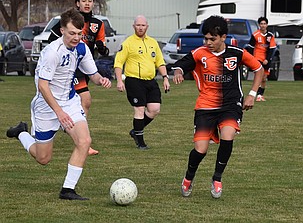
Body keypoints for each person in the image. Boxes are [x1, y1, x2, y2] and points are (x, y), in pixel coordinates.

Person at [6, 8, 111, 200]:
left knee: (84, 141)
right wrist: (59, 112)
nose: (76, 37)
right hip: (46, 106)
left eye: (80, 33)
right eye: (72, 33)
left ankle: (67, 190)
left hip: (70, 101)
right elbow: (43, 86)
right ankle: (21, 132)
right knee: (43, 158)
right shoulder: (52, 52)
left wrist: (101, 79)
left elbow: (92, 74)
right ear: (62, 30)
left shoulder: (82, 48)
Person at [172, 15, 263, 198]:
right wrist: (179, 72)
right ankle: (189, 177)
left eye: (212, 39)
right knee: (201, 149)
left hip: (231, 104)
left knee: (228, 136)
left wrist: (252, 94)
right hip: (206, 105)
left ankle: (217, 178)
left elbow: (258, 69)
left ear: (223, 37)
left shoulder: (237, 53)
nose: (208, 42)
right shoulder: (200, 53)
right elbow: (182, 65)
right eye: (205, 38)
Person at [49, 0, 109, 155]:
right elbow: (52, 39)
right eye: (83, 1)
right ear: (77, 3)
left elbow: (103, 47)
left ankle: (74, 129)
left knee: (82, 102)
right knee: (85, 98)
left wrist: (102, 48)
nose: (87, 4)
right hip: (69, 67)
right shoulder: (70, 21)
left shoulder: (98, 24)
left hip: (85, 67)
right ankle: (82, 141)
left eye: (90, 1)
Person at [114, 15, 170, 150]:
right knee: (139, 110)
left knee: (154, 109)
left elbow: (160, 62)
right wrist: (119, 81)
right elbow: (118, 62)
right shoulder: (128, 43)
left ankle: (135, 131)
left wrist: (166, 77)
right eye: (138, 25)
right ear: (134, 26)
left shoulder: (153, 43)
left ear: (147, 27)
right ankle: (140, 142)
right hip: (134, 81)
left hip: (150, 81)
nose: (140, 27)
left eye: (143, 25)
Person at [246, 17, 276, 102]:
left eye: (264, 24)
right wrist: (251, 59)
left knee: (264, 78)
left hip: (266, 59)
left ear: (267, 25)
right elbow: (250, 47)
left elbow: (271, 48)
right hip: (257, 58)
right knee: (259, 76)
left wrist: (267, 59)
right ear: (259, 25)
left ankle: (260, 95)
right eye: (261, 24)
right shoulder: (255, 35)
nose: (263, 25)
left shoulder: (270, 35)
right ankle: (255, 94)